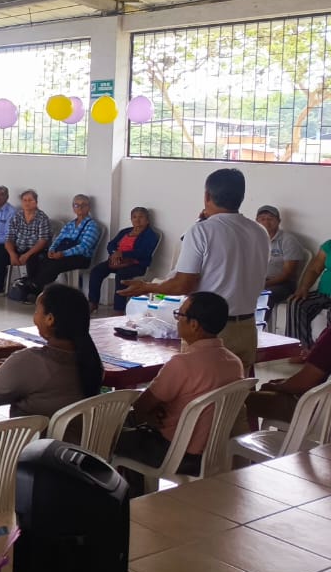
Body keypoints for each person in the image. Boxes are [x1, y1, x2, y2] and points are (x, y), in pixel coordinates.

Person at [120, 168, 269, 372]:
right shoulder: (259, 231)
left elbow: (183, 284)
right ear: (241, 197)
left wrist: (147, 287)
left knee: (200, 387)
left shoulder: (201, 231)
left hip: (209, 330)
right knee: (239, 386)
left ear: (207, 196)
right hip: (247, 325)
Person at [113, 292, 244, 495]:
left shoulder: (182, 364)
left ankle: (132, 497)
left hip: (173, 452)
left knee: (111, 434)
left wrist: (150, 413)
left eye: (180, 315)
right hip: (214, 451)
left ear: (194, 325)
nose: (177, 320)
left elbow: (141, 407)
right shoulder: (234, 363)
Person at [0, 284, 103, 418]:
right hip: (78, 432)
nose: (35, 317)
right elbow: (35, 375)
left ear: (50, 319)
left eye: (36, 311)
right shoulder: (91, 361)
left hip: (37, 433)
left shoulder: (30, 361)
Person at [245, 322, 331, 428]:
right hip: (323, 405)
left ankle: (240, 436)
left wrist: (279, 386)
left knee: (243, 401)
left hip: (318, 411)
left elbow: (304, 383)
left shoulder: (328, 338)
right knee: (272, 387)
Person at [20, 194, 98, 295]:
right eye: (76, 205)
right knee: (34, 257)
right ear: (73, 207)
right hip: (62, 253)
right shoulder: (70, 225)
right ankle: (34, 286)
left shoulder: (92, 225)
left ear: (89, 207)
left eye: (84, 205)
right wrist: (51, 250)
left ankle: (33, 286)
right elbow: (58, 239)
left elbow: (84, 247)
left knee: (55, 264)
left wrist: (63, 254)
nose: (80, 207)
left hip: (81, 257)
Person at [2, 190, 52, 300]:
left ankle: (34, 293)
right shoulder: (17, 217)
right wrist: (12, 254)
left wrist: (27, 255)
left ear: (36, 202)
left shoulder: (42, 218)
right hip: (19, 247)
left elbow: (42, 241)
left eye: (30, 200)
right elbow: (9, 238)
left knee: (33, 260)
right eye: (24, 200)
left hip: (35, 250)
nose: (27, 203)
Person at [256, 205, 305, 309]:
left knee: (263, 296)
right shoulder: (253, 240)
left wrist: (263, 284)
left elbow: (287, 273)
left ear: (279, 221)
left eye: (270, 219)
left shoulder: (288, 240)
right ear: (257, 221)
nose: (266, 222)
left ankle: (257, 320)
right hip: (258, 281)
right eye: (262, 219)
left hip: (282, 284)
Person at [287, 238, 331, 347]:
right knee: (296, 302)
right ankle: (300, 348)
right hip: (323, 293)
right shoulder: (329, 245)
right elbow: (315, 269)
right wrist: (304, 288)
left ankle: (325, 352)